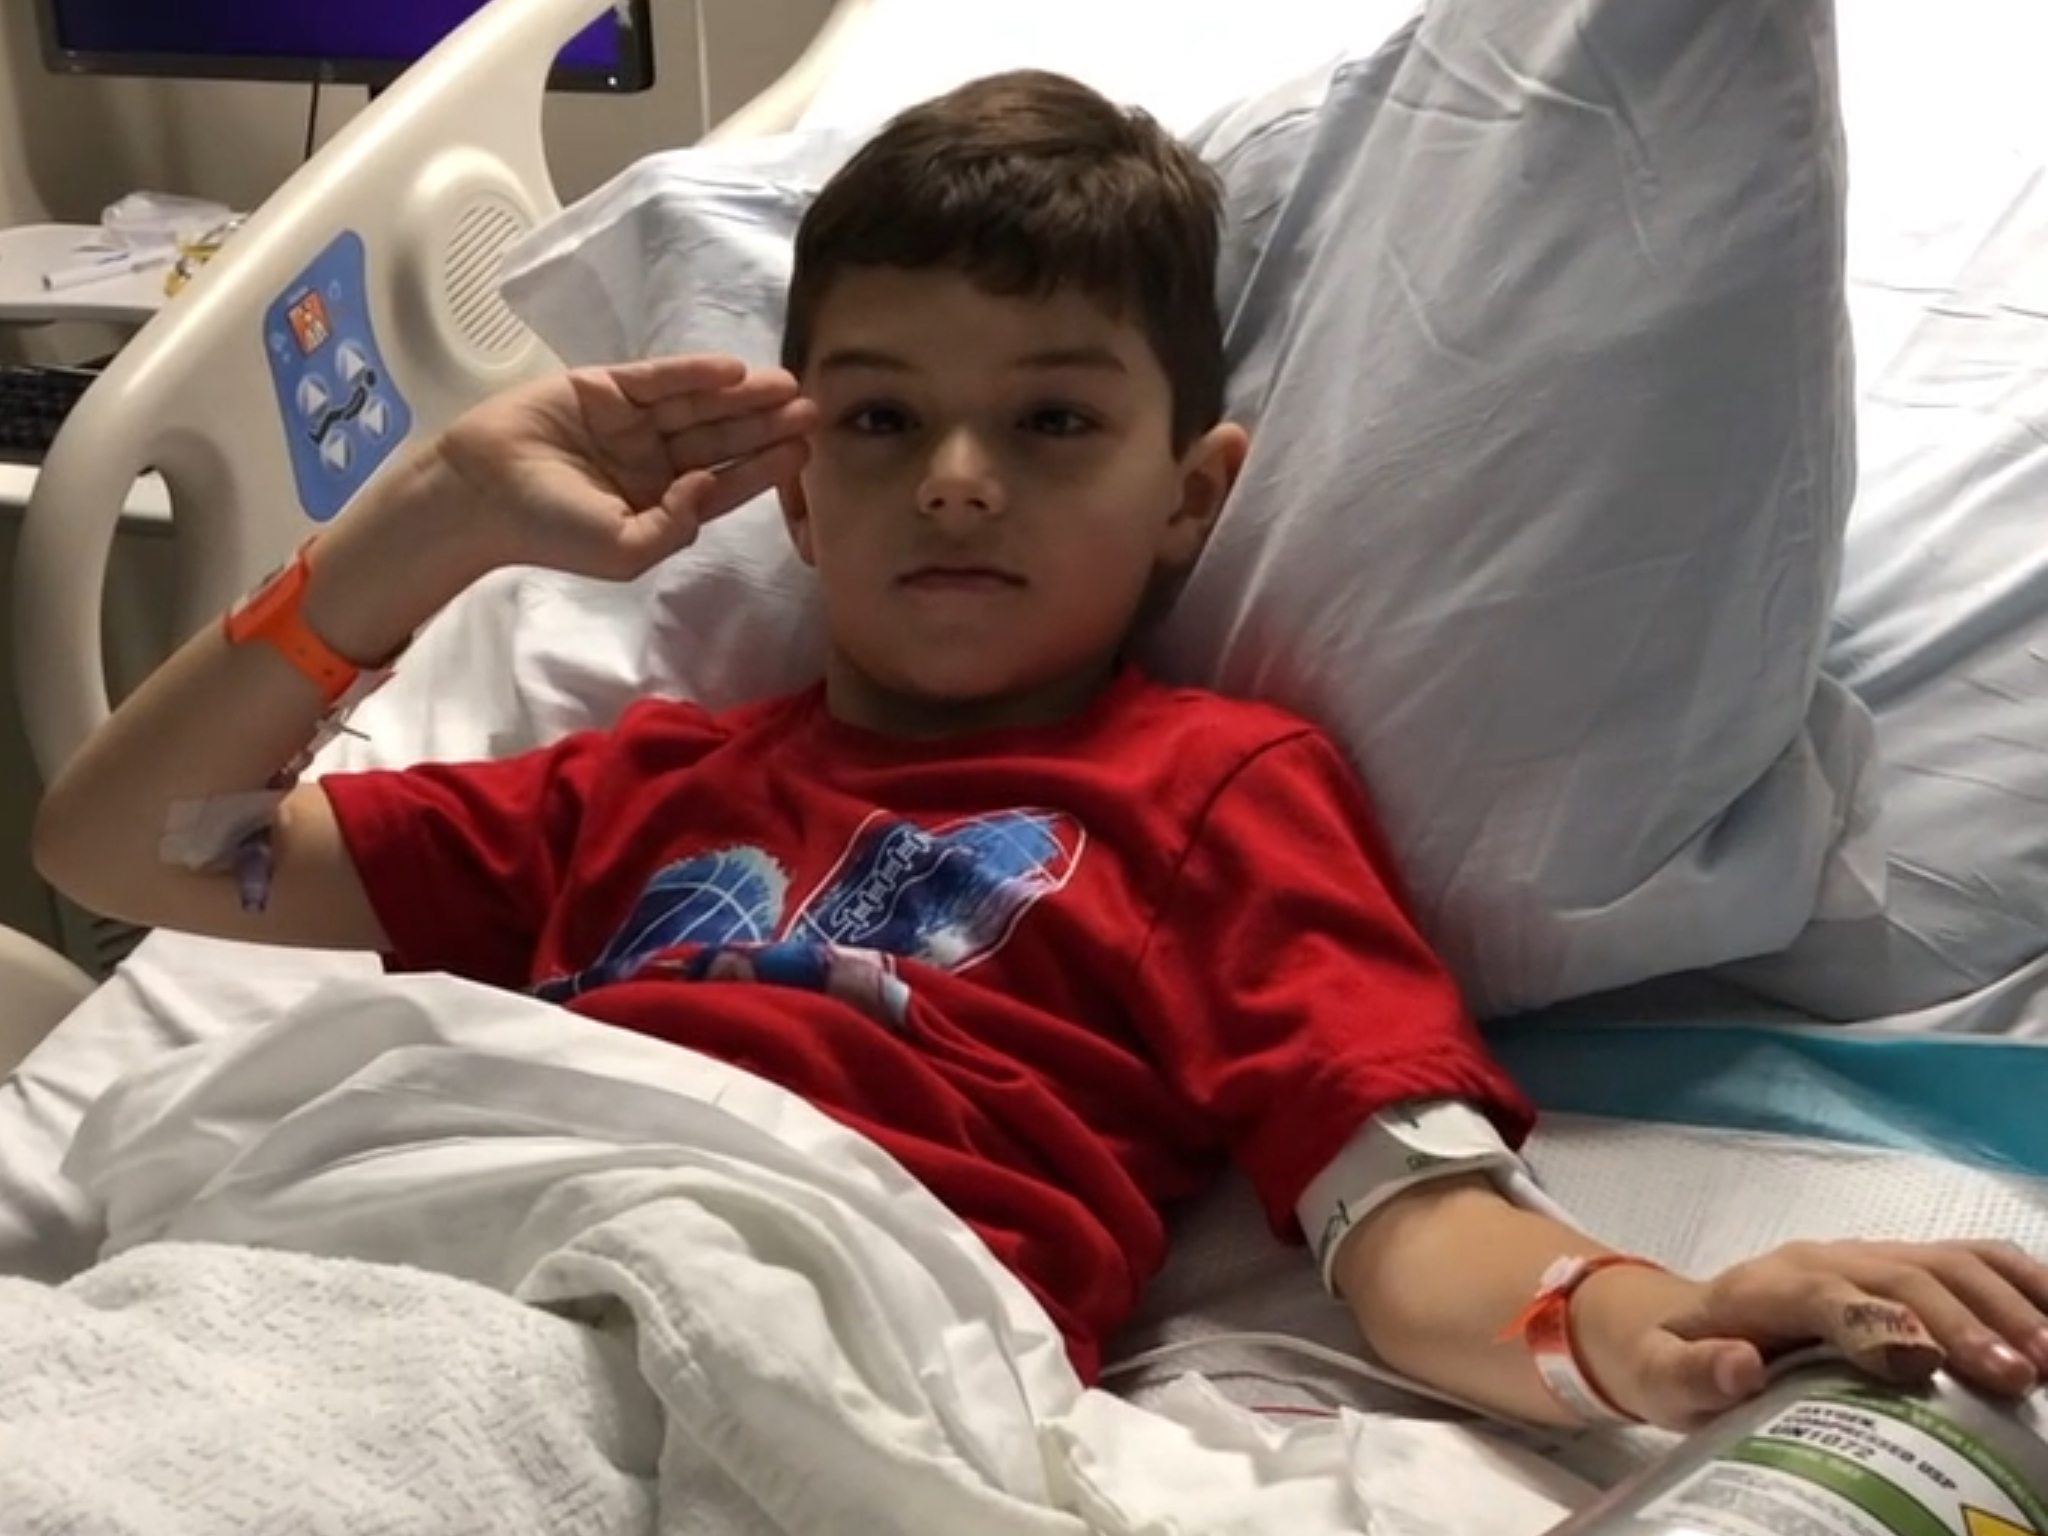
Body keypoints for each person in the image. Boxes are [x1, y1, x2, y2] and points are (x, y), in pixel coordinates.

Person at [33, 69, 2048, 1436]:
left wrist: (1647, 1322)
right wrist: (427, 522)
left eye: (1054, 422)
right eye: (878, 419)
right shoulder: (631, 787)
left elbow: (1408, 1211)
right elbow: (130, 850)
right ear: (795, 490)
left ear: (1194, 496)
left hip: (802, 1311)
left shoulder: (1211, 793)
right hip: (381, 1240)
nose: (956, 479)